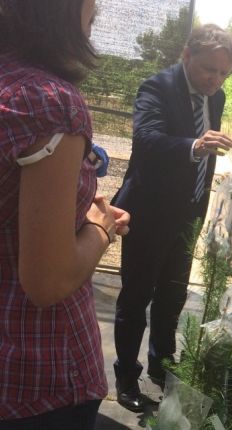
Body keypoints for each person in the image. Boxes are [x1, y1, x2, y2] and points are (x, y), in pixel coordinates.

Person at [0, 1, 130, 428]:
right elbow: (48, 280)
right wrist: (100, 227)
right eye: (90, 14)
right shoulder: (48, 102)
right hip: (40, 374)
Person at [110, 24, 232, 411]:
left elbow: (207, 152)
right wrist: (194, 146)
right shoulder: (157, 87)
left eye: (223, 73)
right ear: (186, 56)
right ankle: (126, 377)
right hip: (149, 214)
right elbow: (146, 140)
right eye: (208, 69)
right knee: (136, 299)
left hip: (187, 215)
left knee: (172, 298)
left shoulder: (216, 98)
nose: (215, 80)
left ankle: (161, 367)